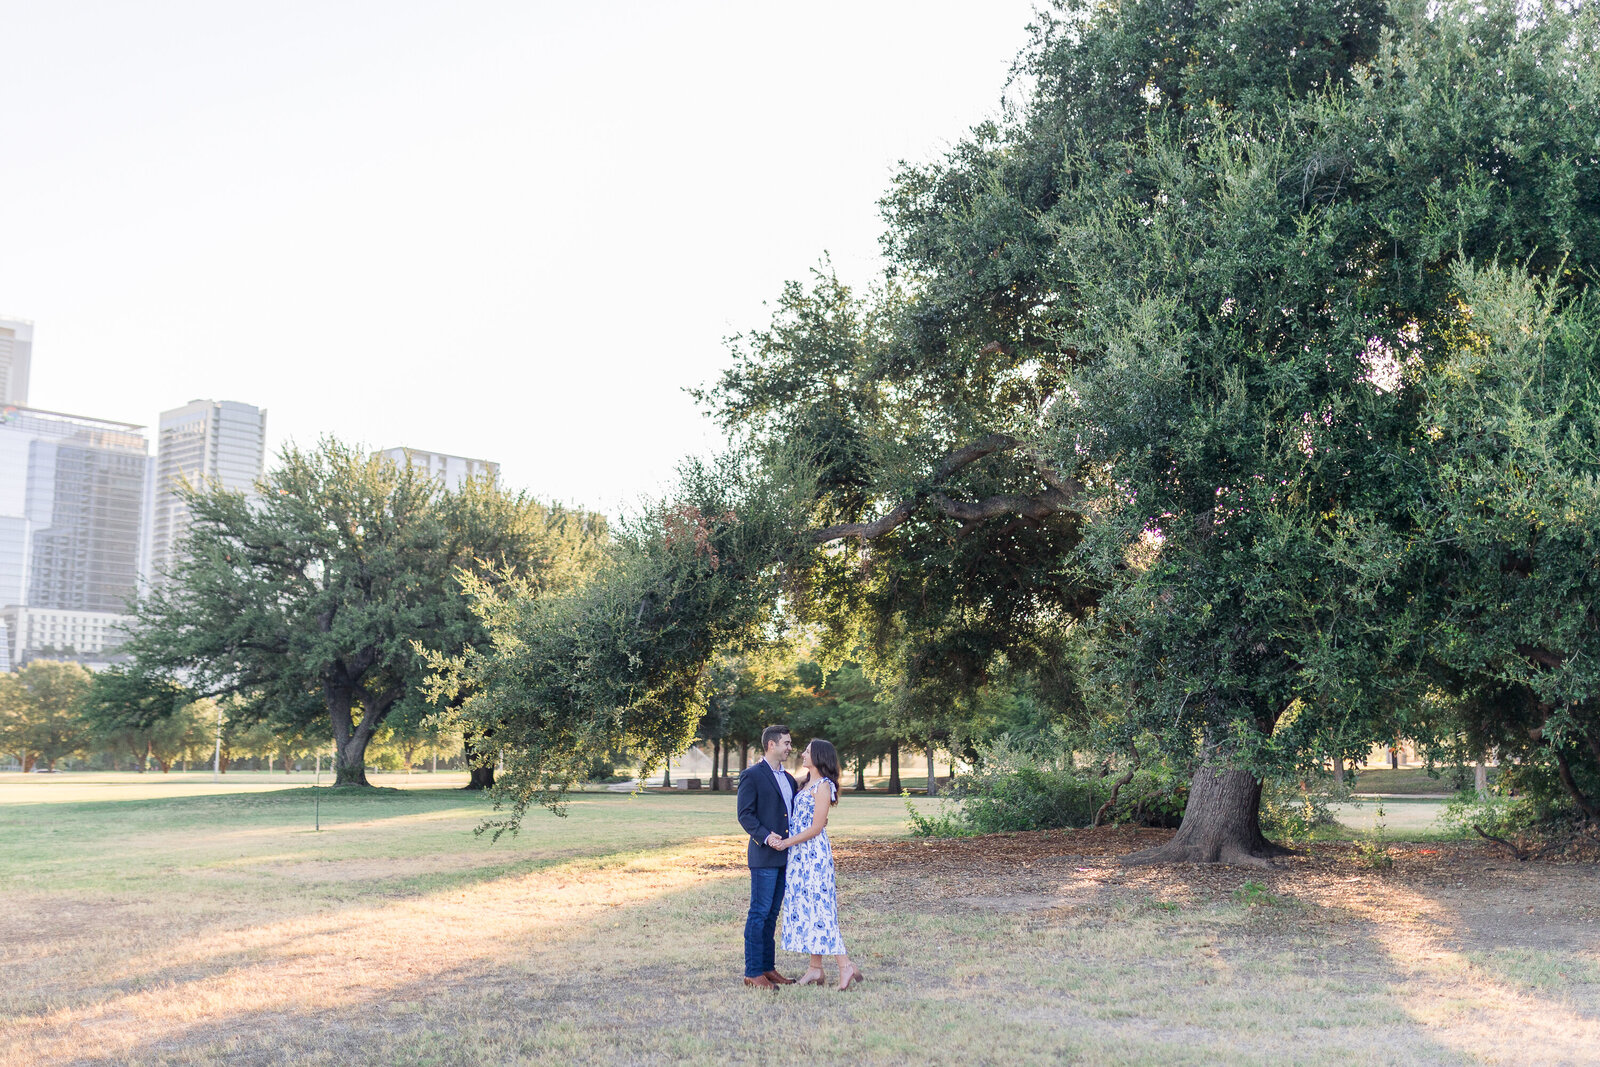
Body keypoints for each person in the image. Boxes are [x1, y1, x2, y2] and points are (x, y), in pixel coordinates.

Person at [777, 738, 863, 991]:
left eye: (807, 751)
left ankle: (845, 965)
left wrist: (786, 843)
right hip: (799, 857)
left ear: (819, 756)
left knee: (821, 909)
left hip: (813, 856)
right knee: (807, 909)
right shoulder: (805, 784)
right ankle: (815, 969)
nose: (802, 753)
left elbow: (816, 828)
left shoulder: (823, 786)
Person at [735, 724, 797, 990]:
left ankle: (768, 968)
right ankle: (752, 971)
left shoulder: (790, 779)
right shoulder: (752, 775)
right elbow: (745, 815)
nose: (790, 748)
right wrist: (766, 836)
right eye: (786, 743)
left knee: (772, 914)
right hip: (763, 856)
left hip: (786, 857)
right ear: (771, 745)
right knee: (758, 913)